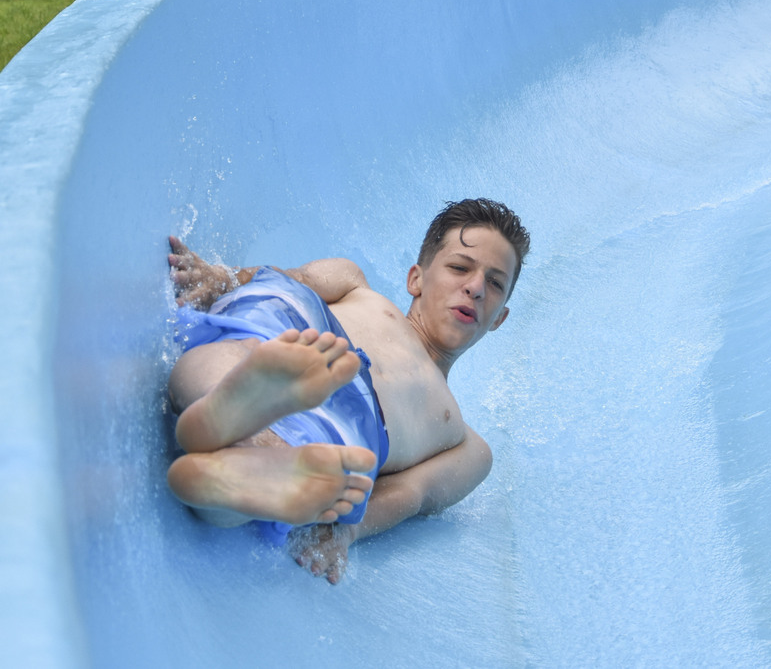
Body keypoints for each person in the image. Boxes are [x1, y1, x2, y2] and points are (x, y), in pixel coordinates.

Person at [165, 198, 530, 583]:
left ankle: (240, 453)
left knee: (248, 462)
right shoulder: (354, 284)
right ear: (416, 280)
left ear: (500, 318)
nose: (475, 288)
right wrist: (219, 278)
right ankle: (243, 427)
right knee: (245, 349)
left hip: (342, 425)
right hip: (300, 341)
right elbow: (288, 278)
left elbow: (409, 494)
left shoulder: (466, 445)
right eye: (460, 268)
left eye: (495, 284)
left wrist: (347, 531)